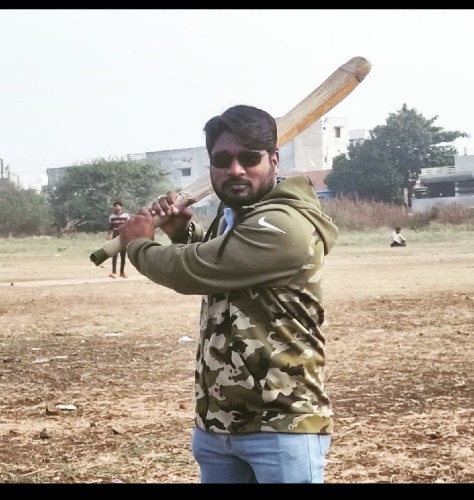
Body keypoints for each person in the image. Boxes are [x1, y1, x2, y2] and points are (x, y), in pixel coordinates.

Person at [118, 105, 339, 483]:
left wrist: (138, 245)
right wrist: (181, 233)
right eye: (222, 160)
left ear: (273, 160)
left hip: (281, 424)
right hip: (219, 424)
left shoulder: (284, 224)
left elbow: (194, 270)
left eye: (249, 158)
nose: (235, 170)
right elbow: (219, 268)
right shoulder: (234, 214)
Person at [106, 201, 130, 278]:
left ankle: (122, 272)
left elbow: (129, 226)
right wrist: (108, 235)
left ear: (121, 207)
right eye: (115, 206)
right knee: (114, 255)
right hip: (115, 238)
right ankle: (113, 272)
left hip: (124, 238)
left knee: (123, 256)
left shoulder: (126, 216)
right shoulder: (112, 217)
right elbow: (110, 227)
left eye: (117, 206)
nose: (115, 208)